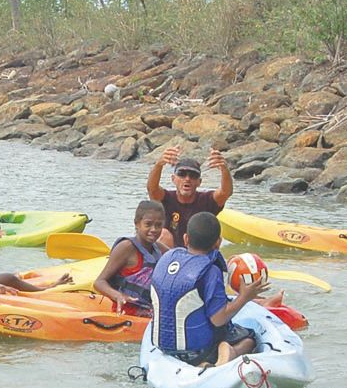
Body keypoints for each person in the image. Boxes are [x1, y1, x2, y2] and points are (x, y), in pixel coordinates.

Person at [148, 211, 268, 366]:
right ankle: (229, 354)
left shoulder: (167, 258)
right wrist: (244, 297)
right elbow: (218, 319)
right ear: (218, 242)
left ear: (186, 239)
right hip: (198, 352)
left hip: (163, 345)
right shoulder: (211, 271)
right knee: (250, 338)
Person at [146, 144, 233, 249]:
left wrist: (224, 169)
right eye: (182, 174)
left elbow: (225, 192)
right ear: (173, 179)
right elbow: (152, 189)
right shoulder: (166, 198)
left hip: (200, 253)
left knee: (216, 237)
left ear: (199, 182)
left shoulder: (206, 200)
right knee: (163, 234)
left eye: (193, 175)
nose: (187, 179)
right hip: (171, 255)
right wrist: (159, 165)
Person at [93, 199, 167, 314]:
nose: (154, 230)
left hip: (148, 314)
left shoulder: (160, 249)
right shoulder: (126, 248)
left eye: (158, 225)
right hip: (125, 314)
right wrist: (118, 296)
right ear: (137, 223)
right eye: (148, 224)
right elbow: (99, 282)